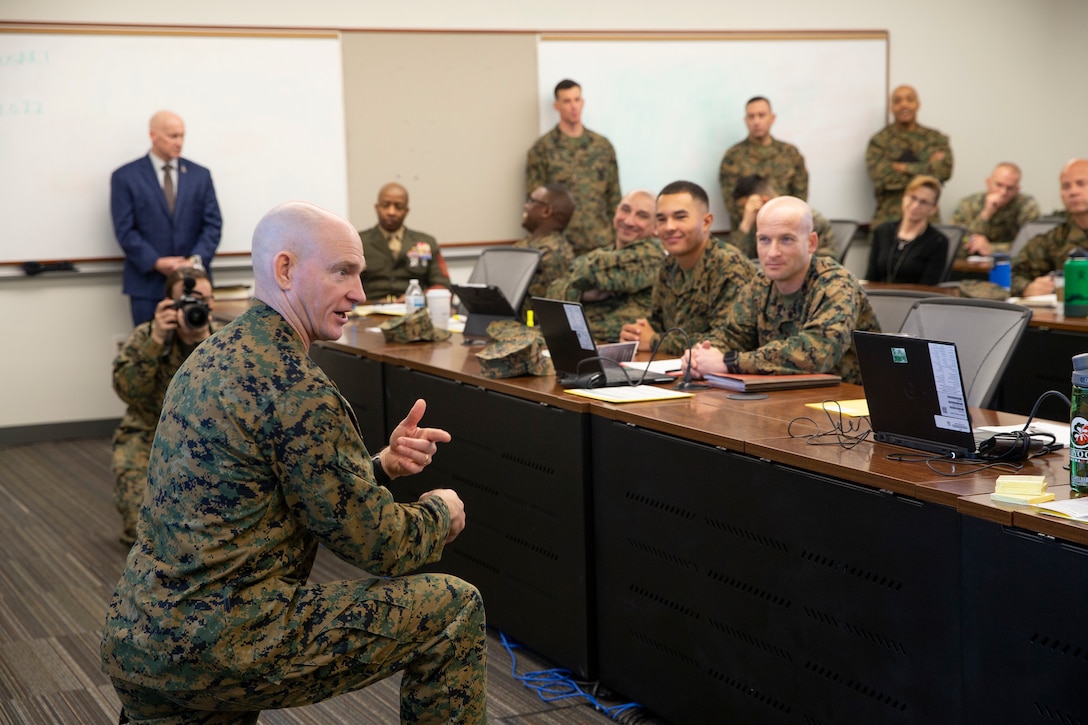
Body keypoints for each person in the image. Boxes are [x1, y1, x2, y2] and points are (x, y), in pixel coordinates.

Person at [101, 201, 486, 724]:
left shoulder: (210, 356)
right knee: (452, 608)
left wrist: (379, 467)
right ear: (285, 270)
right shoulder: (296, 387)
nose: (360, 293)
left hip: (142, 633)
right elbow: (382, 545)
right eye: (342, 272)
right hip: (220, 642)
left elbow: (268, 488)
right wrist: (440, 512)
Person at [686, 196, 879, 385]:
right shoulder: (761, 283)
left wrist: (729, 363)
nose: (772, 252)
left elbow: (815, 354)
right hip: (785, 395)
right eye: (764, 240)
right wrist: (700, 356)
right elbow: (732, 335)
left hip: (846, 403)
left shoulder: (836, 284)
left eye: (786, 240)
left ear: (811, 243)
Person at [110, 266, 216, 546]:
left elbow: (238, 399)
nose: (196, 307)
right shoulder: (146, 336)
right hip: (148, 433)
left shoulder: (222, 342)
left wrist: (203, 342)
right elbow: (129, 392)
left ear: (212, 303)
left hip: (206, 441)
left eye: (203, 300)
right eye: (188, 301)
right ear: (169, 303)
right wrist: (156, 342)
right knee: (141, 529)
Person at [111, 110, 222, 326]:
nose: (179, 142)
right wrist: (157, 262)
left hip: (194, 283)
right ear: (153, 135)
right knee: (149, 350)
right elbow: (125, 229)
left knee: (198, 353)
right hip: (148, 285)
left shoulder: (200, 175)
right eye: (173, 136)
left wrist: (194, 261)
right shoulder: (125, 177)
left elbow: (213, 224)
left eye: (182, 136)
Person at [619, 181, 754, 356]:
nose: (669, 227)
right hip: (677, 367)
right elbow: (657, 323)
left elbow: (728, 341)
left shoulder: (729, 267)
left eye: (680, 217)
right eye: (661, 219)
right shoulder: (670, 265)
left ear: (706, 222)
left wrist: (654, 341)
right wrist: (635, 334)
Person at [546, 190, 664, 342]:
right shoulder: (602, 253)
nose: (628, 221)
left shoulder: (651, 255)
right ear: (616, 212)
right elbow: (551, 294)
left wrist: (573, 283)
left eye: (642, 216)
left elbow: (588, 273)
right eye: (625, 210)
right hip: (579, 338)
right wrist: (582, 294)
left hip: (619, 345)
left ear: (656, 227)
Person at [526, 79, 621, 256]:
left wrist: (618, 239)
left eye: (577, 100)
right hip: (562, 246)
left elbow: (614, 197)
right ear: (557, 106)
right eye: (567, 101)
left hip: (600, 242)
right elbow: (535, 205)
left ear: (582, 102)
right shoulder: (542, 149)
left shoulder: (602, 146)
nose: (573, 106)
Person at [865, 85, 953, 227]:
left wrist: (903, 167)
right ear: (891, 107)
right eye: (898, 101)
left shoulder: (936, 139)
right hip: (889, 221)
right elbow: (883, 178)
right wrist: (927, 169)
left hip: (928, 222)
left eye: (909, 99)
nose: (904, 104)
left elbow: (944, 171)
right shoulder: (879, 141)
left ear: (917, 104)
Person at [719, 96, 808, 231]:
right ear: (746, 121)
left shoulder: (790, 154)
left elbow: (799, 200)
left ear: (772, 118)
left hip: (787, 228)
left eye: (761, 115)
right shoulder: (733, 157)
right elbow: (733, 205)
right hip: (749, 232)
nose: (756, 121)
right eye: (751, 116)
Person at [358, 182, 451, 301]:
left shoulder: (425, 242)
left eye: (398, 206)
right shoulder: (359, 242)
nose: (391, 212)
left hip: (413, 310)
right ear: (377, 207)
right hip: (369, 311)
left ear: (406, 211)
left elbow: (442, 286)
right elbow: (345, 284)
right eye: (386, 205)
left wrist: (418, 298)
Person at [1012, 158, 1088, 297]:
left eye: (1081, 184)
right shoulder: (1056, 238)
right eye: (1066, 186)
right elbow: (1013, 274)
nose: (1073, 191)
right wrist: (1028, 288)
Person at [865, 175, 950, 285]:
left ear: (933, 209)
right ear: (904, 197)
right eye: (912, 198)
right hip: (879, 298)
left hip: (914, 300)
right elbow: (871, 278)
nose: (915, 206)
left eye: (923, 202)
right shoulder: (882, 231)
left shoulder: (938, 241)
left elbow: (928, 288)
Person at [729, 174, 837, 259]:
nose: (745, 213)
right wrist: (746, 224)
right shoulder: (757, 223)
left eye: (745, 208)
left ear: (763, 201)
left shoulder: (806, 219)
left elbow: (826, 262)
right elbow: (734, 262)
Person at [951, 162, 1042, 257]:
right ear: (988, 182)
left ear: (1017, 189)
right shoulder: (968, 204)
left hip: (1012, 266)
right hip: (969, 267)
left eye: (1010, 188)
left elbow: (1033, 243)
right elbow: (960, 240)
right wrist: (986, 213)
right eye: (999, 185)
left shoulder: (1026, 205)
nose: (1003, 192)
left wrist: (992, 248)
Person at [516, 183, 576, 319]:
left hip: (528, 329)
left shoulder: (553, 254)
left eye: (531, 201)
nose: (526, 206)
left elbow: (554, 311)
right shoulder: (527, 244)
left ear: (546, 211)